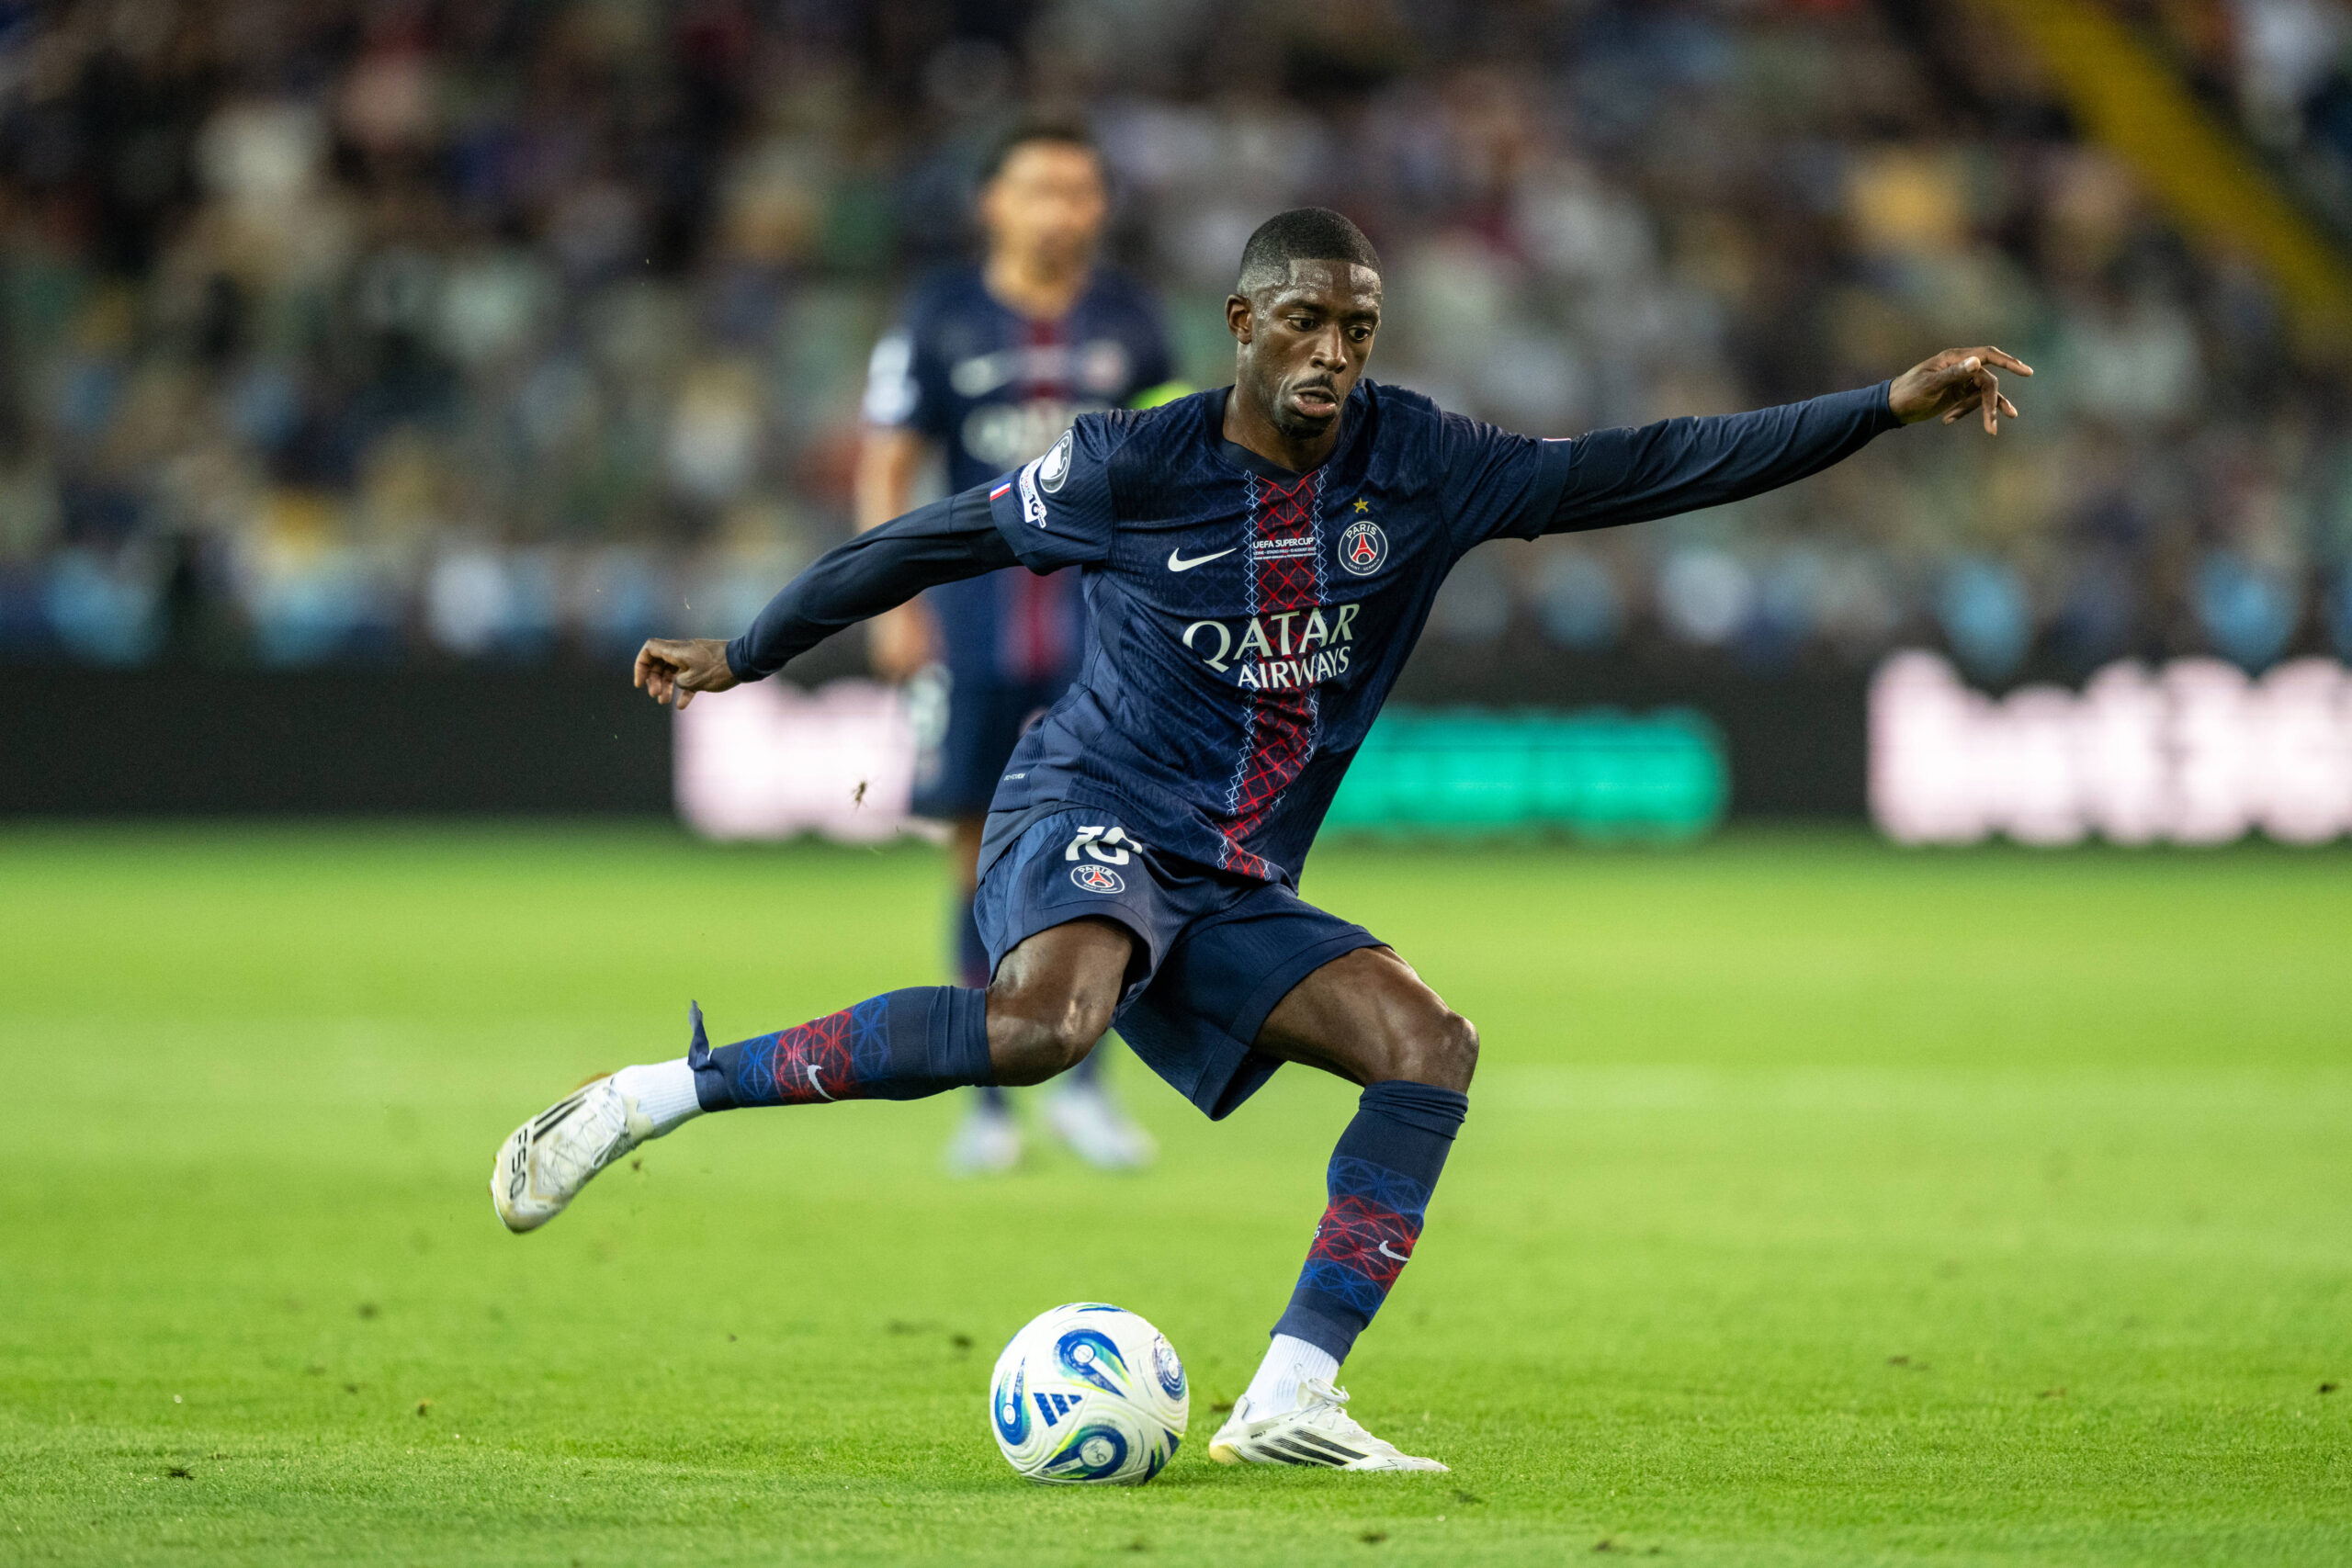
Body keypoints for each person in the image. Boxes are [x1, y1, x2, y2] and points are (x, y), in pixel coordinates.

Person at [492, 208, 2029, 1472]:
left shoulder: (1423, 464)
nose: (1332, 353)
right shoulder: (1130, 464)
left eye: (1359, 329)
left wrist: (1882, 408)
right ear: (1241, 324)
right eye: (1304, 322)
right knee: (1043, 1028)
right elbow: (932, 537)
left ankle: (1293, 1391)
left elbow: (1649, 461)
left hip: (1228, 874)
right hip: (1083, 805)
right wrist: (751, 649)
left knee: (1430, 1044)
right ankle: (659, 1092)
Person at [858, 120, 1175, 1176]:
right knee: (973, 851)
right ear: (992, 202)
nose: (1061, 210)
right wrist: (892, 602)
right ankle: (985, 1105)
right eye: (1039, 188)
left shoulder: (1132, 321)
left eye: (1079, 191)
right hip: (972, 627)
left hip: (1103, 632)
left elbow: (1174, 463)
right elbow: (888, 461)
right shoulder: (938, 316)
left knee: (1103, 854)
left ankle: (1085, 1089)